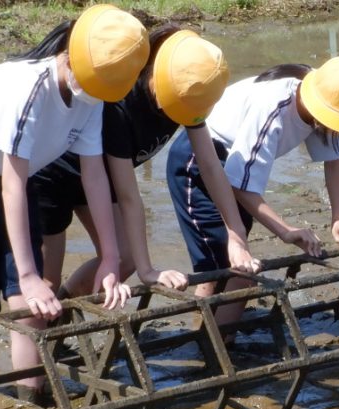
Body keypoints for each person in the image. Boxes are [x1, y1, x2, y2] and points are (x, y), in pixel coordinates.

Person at [0, 4, 143, 394]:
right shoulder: (27, 90)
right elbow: (12, 184)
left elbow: (94, 176)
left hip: (17, 183)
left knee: (30, 310)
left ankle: (32, 399)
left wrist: (110, 258)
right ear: (74, 58)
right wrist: (27, 274)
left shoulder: (93, 95)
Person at [31, 25, 261, 301]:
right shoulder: (121, 104)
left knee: (123, 258)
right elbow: (129, 196)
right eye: (173, 102)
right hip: (53, 177)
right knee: (46, 279)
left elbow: (212, 167)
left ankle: (66, 309)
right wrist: (148, 269)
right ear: (156, 72)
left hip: (98, 178)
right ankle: (40, 325)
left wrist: (236, 236)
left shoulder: (189, 93)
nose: (173, 112)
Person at [166, 57, 339, 331]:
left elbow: (335, 159)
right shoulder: (274, 107)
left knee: (218, 266)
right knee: (237, 272)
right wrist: (286, 230)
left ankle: (204, 329)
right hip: (199, 163)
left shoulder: (329, 96)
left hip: (235, 167)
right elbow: (240, 185)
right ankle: (216, 350)